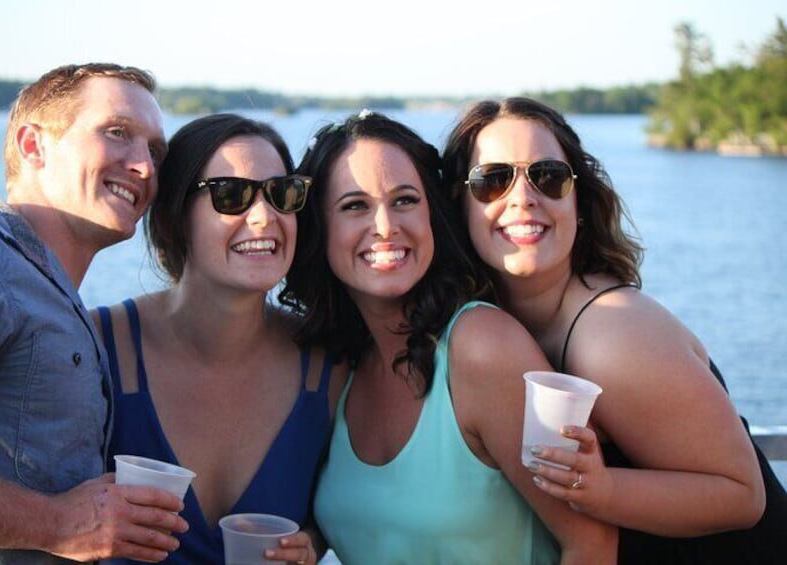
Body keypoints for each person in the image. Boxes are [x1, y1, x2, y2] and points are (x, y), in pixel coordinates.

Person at [442, 97, 787, 563]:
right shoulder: (492, 326)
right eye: (493, 180)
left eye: (548, 176)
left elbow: (744, 496)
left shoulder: (611, 334)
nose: (523, 197)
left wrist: (602, 489)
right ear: (458, 207)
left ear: (578, 201)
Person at [279, 110, 617, 564]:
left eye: (405, 200)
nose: (385, 227)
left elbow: (592, 543)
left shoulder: (481, 347)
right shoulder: (344, 366)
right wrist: (313, 542)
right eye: (354, 206)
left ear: (433, 215)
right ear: (320, 232)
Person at [0, 63, 189, 564]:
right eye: (118, 133)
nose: (145, 168)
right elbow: (65, 525)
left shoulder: (57, 295)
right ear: (34, 146)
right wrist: (56, 522)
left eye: (156, 151)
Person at [92, 113, 346, 565]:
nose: (265, 217)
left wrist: (313, 542)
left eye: (281, 194)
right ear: (174, 217)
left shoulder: (329, 369)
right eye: (232, 195)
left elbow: (349, 507)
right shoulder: (98, 347)